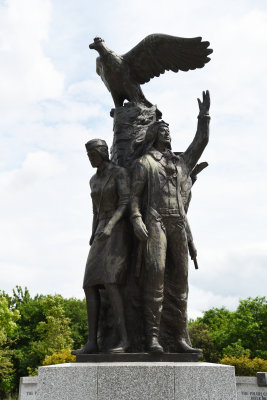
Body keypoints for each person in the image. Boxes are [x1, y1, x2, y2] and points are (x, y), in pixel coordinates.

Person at [130, 91, 210, 353]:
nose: (167, 133)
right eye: (162, 130)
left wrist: (204, 116)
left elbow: (200, 143)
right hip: (154, 221)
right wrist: (136, 218)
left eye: (168, 130)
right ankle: (153, 338)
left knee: (181, 281)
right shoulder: (144, 163)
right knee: (156, 277)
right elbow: (133, 198)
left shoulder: (180, 163)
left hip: (177, 224)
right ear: (153, 135)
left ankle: (178, 337)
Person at [72, 139, 130, 354]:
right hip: (100, 230)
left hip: (118, 230)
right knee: (89, 284)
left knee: (110, 281)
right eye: (88, 156)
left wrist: (110, 226)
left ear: (103, 153)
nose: (90, 159)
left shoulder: (119, 173)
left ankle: (125, 339)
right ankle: (92, 342)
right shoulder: (93, 181)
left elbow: (125, 202)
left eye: (92, 155)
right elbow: (95, 211)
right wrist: (93, 232)